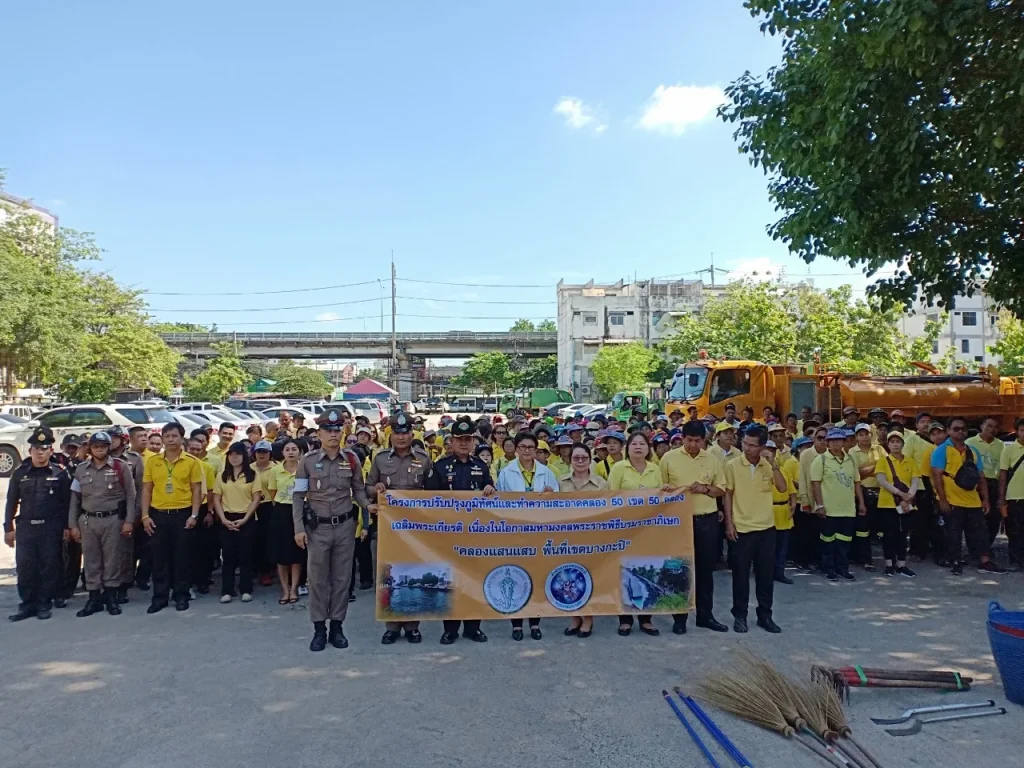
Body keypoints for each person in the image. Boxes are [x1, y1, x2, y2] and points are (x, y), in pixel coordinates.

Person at [292, 408, 371, 652]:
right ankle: (319, 628)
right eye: (328, 430)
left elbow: (358, 490)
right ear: (319, 433)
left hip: (346, 527)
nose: (333, 435)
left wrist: (369, 508)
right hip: (318, 529)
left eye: (337, 430)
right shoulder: (308, 460)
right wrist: (298, 528)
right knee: (317, 580)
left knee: (341, 579)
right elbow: (298, 496)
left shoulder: (351, 459)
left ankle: (337, 626)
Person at [426, 415, 495, 645]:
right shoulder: (440, 467)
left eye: (468, 439)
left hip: (476, 535)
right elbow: (429, 501)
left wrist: (490, 488)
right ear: (451, 442)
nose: (464, 443)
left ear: (474, 441)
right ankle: (450, 629)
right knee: (450, 582)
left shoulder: (480, 466)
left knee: (474, 579)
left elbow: (493, 494)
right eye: (459, 439)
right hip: (450, 535)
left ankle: (473, 627)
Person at [367, 413, 432, 644]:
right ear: (390, 435)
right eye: (397, 432)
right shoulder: (380, 458)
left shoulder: (424, 459)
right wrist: (376, 488)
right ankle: (392, 626)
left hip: (416, 529)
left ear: (412, 434)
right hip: (388, 527)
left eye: (405, 432)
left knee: (413, 572)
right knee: (388, 574)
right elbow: (367, 487)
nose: (402, 437)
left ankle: (413, 626)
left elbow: (434, 492)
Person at [660, 420, 728, 634]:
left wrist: (706, 489)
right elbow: (659, 490)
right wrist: (668, 490)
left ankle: (705, 616)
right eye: (689, 440)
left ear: (704, 440)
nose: (692, 445)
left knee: (706, 571)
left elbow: (722, 489)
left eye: (697, 441)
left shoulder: (712, 459)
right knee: (679, 570)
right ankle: (679, 618)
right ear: (682, 437)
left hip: (706, 520)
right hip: (678, 522)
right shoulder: (668, 458)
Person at [722, 424, 786, 634]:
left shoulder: (769, 465)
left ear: (762, 446)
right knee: (740, 576)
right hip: (742, 528)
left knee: (765, 576)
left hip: (767, 528)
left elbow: (783, 487)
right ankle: (739, 615)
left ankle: (765, 615)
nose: (747, 448)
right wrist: (729, 524)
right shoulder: (732, 465)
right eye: (745, 444)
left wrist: (774, 464)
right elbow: (728, 495)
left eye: (752, 445)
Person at [5, 426, 73, 621]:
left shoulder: (60, 473)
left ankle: (44, 603)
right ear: (30, 451)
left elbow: (67, 503)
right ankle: (27, 604)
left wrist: (67, 527)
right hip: (26, 527)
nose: (40, 452)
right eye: (37, 448)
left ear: (51, 451)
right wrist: (8, 529)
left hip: (50, 527)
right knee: (25, 567)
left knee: (48, 566)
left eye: (44, 448)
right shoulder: (20, 473)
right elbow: (11, 501)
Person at [496, 430, 559, 640]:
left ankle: (535, 622)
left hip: (540, 533)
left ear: (536, 450)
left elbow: (559, 502)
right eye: (522, 447)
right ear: (515, 449)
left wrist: (551, 495)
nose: (526, 451)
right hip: (515, 533)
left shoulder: (546, 472)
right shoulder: (506, 472)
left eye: (531, 448)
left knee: (538, 578)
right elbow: (500, 503)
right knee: (516, 576)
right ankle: (516, 623)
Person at [68, 432, 136, 617]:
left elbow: (131, 495)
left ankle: (111, 597)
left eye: (103, 446)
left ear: (108, 447)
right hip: (88, 521)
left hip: (113, 519)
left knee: (112, 560)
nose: (100, 449)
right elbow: (75, 498)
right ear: (90, 448)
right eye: (96, 446)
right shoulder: (81, 469)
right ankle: (94, 598)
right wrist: (72, 524)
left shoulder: (119, 467)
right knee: (91, 561)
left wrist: (129, 521)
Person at [141, 422, 203, 613]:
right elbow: (147, 489)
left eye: (174, 436)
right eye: (166, 436)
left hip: (182, 514)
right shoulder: (153, 462)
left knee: (182, 558)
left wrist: (194, 515)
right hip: (158, 515)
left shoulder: (192, 462)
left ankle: (181, 595)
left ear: (181, 438)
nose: (170, 440)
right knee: (159, 558)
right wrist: (144, 516)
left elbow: (196, 490)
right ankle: (159, 597)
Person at [931, 416, 1005, 575]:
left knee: (980, 532)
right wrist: (942, 500)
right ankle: (955, 561)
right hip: (952, 500)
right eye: (956, 429)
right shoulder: (942, 450)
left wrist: (985, 499)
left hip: (972, 500)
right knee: (953, 533)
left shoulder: (972, 451)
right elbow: (937, 476)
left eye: (963, 429)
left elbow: (981, 477)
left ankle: (984, 561)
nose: (960, 432)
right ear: (949, 431)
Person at [608, 431, 665, 637]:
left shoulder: (655, 470)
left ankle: (646, 618)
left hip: (648, 529)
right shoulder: (618, 469)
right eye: (634, 444)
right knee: (624, 572)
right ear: (627, 448)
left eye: (642, 444)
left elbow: (661, 498)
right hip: (624, 528)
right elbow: (611, 497)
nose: (638, 447)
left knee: (646, 571)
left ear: (648, 448)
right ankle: (625, 619)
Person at [557, 442, 605, 638]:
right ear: (570, 460)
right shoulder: (561, 482)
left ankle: (588, 619)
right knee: (569, 577)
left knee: (589, 577)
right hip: (567, 538)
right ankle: (575, 617)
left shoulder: (601, 483)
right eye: (576, 458)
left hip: (591, 538)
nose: (580, 461)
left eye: (584, 458)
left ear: (590, 460)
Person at [811, 427, 867, 582]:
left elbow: (856, 483)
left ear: (844, 442)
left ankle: (843, 569)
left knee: (845, 541)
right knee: (828, 541)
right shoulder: (821, 460)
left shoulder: (850, 460)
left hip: (848, 508)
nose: (836, 443)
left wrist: (861, 503)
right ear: (828, 443)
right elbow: (815, 483)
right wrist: (819, 505)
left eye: (839, 440)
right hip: (829, 509)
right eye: (832, 440)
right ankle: (829, 569)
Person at [212, 442, 262, 603]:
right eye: (231, 454)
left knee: (246, 555)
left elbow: (256, 499)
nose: (234, 457)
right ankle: (227, 590)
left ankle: (246, 589)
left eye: (238, 454)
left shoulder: (253, 475)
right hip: (226, 519)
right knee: (228, 556)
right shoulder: (222, 476)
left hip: (246, 519)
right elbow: (217, 499)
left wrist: (245, 518)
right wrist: (223, 519)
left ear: (244, 456)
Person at [267, 437, 307, 604]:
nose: (291, 452)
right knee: (281, 554)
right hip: (281, 512)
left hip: (301, 511)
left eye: (294, 449)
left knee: (297, 553)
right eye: (287, 449)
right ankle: (285, 589)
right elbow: (272, 493)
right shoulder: (275, 470)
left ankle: (295, 587)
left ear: (300, 452)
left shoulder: (305, 469)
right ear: (282, 452)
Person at [874, 431, 918, 578]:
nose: (895, 444)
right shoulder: (883, 461)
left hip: (906, 504)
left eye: (898, 441)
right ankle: (888, 564)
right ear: (888, 444)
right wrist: (901, 494)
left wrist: (908, 498)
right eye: (892, 441)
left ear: (903, 444)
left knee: (903, 534)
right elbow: (881, 480)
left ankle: (901, 564)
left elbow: (915, 480)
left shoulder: (910, 461)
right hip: (888, 503)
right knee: (889, 534)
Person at [108, 426, 143, 604]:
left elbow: (140, 490)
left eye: (115, 438)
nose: (111, 441)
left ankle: (123, 586)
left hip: (126, 511)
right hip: (104, 511)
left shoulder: (134, 460)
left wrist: (136, 515)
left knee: (125, 553)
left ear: (123, 440)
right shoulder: (99, 458)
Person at [848, 423, 885, 571]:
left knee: (880, 528)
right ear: (856, 437)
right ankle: (865, 559)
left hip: (882, 491)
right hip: (862, 492)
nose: (864, 437)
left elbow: (887, 466)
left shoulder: (879, 448)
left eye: (867, 434)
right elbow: (857, 474)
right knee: (863, 528)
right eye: (861, 434)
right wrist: (876, 467)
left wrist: (868, 470)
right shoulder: (852, 452)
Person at [186, 435, 219, 595]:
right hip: (184, 508)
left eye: (198, 449)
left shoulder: (205, 467)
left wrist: (210, 512)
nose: (194, 452)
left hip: (204, 508)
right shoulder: (180, 465)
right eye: (191, 449)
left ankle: (203, 581)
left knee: (203, 549)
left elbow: (212, 490)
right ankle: (187, 582)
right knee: (186, 549)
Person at [793, 426, 828, 571]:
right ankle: (802, 561)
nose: (823, 441)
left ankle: (818, 561)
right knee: (805, 534)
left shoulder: (832, 453)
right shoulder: (806, 454)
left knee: (821, 534)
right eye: (819, 438)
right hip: (808, 498)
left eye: (825, 438)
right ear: (813, 439)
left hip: (826, 500)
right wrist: (805, 500)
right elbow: (803, 477)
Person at [967, 417, 1004, 548]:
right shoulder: (969, 443)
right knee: (975, 520)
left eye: (995, 427)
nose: (992, 429)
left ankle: (986, 549)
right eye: (989, 426)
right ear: (982, 426)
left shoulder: (1001, 445)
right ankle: (974, 550)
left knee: (993, 519)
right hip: (975, 485)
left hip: (994, 484)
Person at [764, 440, 797, 586]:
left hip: (783, 510)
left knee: (782, 546)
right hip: (767, 511)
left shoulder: (782, 470)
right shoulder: (759, 469)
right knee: (768, 547)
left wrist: (793, 503)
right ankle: (766, 572)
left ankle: (779, 572)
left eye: (772, 449)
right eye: (766, 449)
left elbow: (790, 490)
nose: (769, 452)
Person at [998, 418, 1024, 568]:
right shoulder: (1008, 450)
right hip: (1014, 498)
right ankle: (1015, 561)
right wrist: (1001, 499)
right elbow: (1002, 475)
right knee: (1015, 531)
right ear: (1017, 432)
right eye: (1022, 430)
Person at [252, 440, 277, 587]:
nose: (261, 455)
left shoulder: (276, 468)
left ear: (270, 453)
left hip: (269, 506)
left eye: (265, 452)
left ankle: (267, 570)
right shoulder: (248, 468)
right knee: (255, 540)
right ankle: (257, 568)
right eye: (259, 452)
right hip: (251, 507)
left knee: (268, 540)